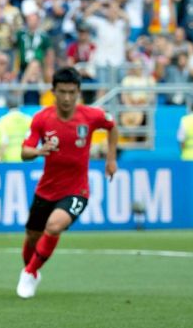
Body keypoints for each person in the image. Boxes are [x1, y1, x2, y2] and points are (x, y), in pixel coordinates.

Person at [17, 67, 118, 299]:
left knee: (53, 226)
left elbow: (112, 127)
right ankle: (30, 271)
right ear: (53, 91)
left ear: (78, 92)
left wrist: (111, 159)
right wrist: (39, 150)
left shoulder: (91, 116)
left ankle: (29, 273)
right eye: (62, 92)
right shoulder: (42, 119)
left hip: (77, 190)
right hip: (46, 189)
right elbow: (24, 152)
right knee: (32, 236)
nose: (67, 98)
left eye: (72, 92)